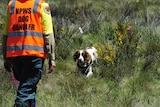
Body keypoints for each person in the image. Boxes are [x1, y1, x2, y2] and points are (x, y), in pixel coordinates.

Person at [2, 0, 56, 107]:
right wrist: (52, 57)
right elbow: (48, 35)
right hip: (34, 55)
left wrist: (6, 56)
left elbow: (5, 34)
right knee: (25, 90)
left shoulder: (12, 5)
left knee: (28, 88)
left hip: (15, 55)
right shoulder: (41, 5)